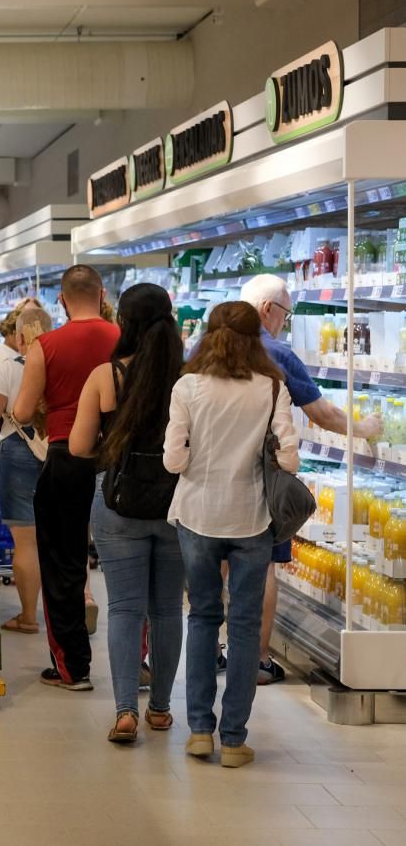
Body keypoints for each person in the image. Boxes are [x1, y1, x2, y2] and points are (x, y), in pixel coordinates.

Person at [164, 301, 298, 767]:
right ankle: (234, 739)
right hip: (253, 518)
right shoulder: (271, 387)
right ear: (256, 338)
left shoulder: (187, 387)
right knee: (242, 627)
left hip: (198, 515)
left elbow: (173, 461)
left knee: (202, 617)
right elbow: (290, 460)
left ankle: (200, 730)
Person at [239, 274, 383, 685]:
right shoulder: (275, 353)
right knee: (262, 562)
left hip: (211, 479)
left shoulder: (204, 349)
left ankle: (213, 650)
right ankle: (258, 659)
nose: (286, 321)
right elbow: (322, 413)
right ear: (268, 309)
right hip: (265, 478)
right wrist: (365, 427)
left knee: (216, 567)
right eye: (286, 312)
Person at [70, 284, 185, 743]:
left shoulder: (107, 375)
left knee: (124, 610)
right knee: (167, 611)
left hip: (119, 504)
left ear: (125, 324)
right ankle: (160, 708)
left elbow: (78, 446)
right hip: (177, 506)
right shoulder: (189, 376)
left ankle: (124, 712)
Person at [13, 265, 120, 691]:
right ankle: (141, 665)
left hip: (65, 458)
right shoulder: (122, 341)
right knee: (129, 566)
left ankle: (73, 667)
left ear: (61, 300)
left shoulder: (45, 345)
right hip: (117, 459)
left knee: (62, 564)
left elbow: (21, 411)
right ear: (102, 293)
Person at [0, 307, 53, 635]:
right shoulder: (64, 365)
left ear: (20, 336)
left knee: (26, 542)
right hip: (59, 452)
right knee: (60, 538)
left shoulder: (10, 368)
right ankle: (72, 607)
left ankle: (28, 616)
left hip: (18, 451)